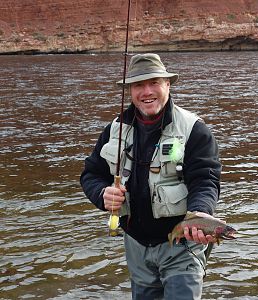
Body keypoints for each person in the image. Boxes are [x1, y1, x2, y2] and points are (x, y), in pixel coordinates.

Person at [80, 53, 221, 299]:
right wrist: (102, 194)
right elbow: (91, 174)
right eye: (138, 85)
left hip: (183, 246)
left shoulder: (194, 130)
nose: (147, 91)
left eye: (154, 82)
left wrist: (200, 213)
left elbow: (205, 180)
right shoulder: (114, 130)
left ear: (168, 84)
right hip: (136, 246)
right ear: (130, 91)